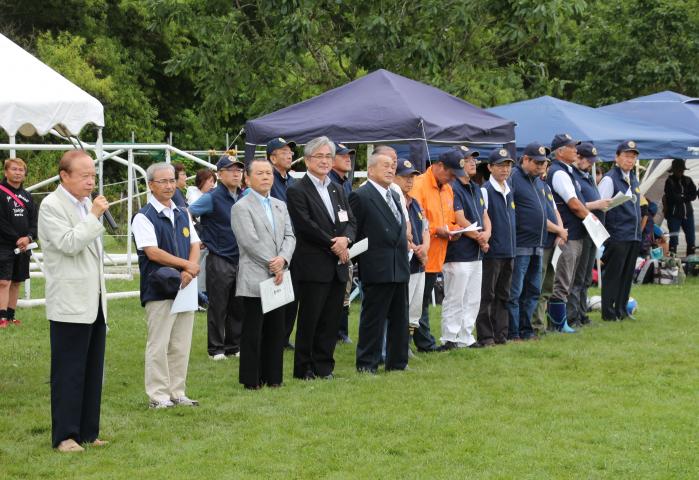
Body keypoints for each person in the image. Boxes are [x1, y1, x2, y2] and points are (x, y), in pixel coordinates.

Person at [38, 150, 109, 452]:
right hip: (69, 302)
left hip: (93, 301)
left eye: (93, 175)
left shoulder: (83, 204)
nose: (90, 181)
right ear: (64, 176)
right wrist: (93, 216)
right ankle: (65, 435)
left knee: (92, 370)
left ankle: (88, 431)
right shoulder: (51, 205)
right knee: (69, 371)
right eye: (84, 175)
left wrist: (90, 214)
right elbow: (69, 244)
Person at [286, 137, 356, 380]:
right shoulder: (296, 189)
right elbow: (306, 225)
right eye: (320, 156)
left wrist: (346, 240)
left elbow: (350, 221)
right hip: (313, 264)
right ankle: (304, 368)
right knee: (310, 319)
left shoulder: (337, 188)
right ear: (307, 160)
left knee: (330, 320)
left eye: (328, 156)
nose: (325, 161)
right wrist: (333, 244)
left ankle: (324, 367)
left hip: (338, 264)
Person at [132, 162, 201, 409]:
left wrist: (190, 270)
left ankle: (177, 392)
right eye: (163, 181)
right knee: (159, 344)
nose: (169, 185)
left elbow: (195, 243)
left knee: (181, 343)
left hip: (185, 285)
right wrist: (186, 266)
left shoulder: (183, 212)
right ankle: (158, 395)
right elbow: (152, 252)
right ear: (151, 185)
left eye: (172, 180)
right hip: (159, 287)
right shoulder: (143, 216)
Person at [231, 158, 295, 389]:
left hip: (279, 275)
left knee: (276, 330)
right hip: (256, 276)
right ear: (247, 178)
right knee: (253, 330)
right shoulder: (241, 206)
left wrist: (284, 259)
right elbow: (249, 242)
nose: (266, 177)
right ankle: (251, 379)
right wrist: (273, 263)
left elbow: (290, 236)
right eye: (260, 173)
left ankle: (273, 377)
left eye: (268, 173)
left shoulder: (280, 204)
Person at [349, 153, 410, 373]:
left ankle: (397, 363)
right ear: (371, 170)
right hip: (376, 267)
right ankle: (367, 364)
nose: (391, 169)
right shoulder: (361, 196)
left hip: (399, 267)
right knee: (373, 320)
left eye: (392, 166)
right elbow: (354, 232)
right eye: (385, 165)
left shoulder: (393, 195)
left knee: (400, 319)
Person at [507, 143, 567, 341]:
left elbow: (547, 210)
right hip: (520, 243)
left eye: (544, 163)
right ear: (525, 160)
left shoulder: (539, 183)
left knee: (533, 291)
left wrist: (558, 229)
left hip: (538, 244)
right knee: (516, 292)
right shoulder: (514, 178)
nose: (542, 166)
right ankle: (513, 332)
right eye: (538, 162)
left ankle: (527, 330)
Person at [189, 156, 245, 360]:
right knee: (218, 306)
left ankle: (233, 345)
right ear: (220, 174)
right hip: (220, 257)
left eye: (239, 170)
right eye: (230, 170)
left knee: (238, 305)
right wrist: (200, 235)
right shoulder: (211, 197)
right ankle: (216, 348)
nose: (236, 173)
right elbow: (188, 213)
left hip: (241, 257)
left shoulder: (244, 195)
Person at [410, 147, 465, 352]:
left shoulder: (448, 189)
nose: (452, 179)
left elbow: (448, 219)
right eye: (451, 174)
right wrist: (437, 230)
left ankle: (423, 342)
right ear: (439, 166)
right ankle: (417, 343)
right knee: (415, 303)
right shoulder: (418, 185)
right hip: (420, 254)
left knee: (422, 303)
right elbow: (415, 221)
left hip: (437, 256)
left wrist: (455, 230)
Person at [439, 148, 490, 350]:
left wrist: (487, 234)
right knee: (455, 296)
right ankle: (450, 336)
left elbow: (485, 215)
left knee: (473, 297)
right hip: (459, 251)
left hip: (476, 252)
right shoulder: (453, 187)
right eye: (467, 160)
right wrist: (479, 237)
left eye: (473, 160)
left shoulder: (476, 187)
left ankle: (466, 336)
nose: (472, 163)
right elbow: (459, 218)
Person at [545, 134, 594, 333]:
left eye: (575, 146)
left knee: (569, 278)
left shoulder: (568, 171)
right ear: (560, 151)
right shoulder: (559, 173)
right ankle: (558, 323)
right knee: (563, 279)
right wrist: (591, 220)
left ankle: (561, 320)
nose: (575, 150)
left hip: (574, 233)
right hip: (568, 234)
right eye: (571, 146)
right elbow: (573, 204)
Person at [475, 148, 516, 346]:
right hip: (492, 252)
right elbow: (484, 218)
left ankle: (501, 334)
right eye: (500, 165)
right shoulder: (485, 190)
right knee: (487, 295)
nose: (505, 169)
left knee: (504, 295)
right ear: (490, 167)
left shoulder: (509, 190)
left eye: (508, 165)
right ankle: (486, 335)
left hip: (509, 251)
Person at [598, 141, 643, 321]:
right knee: (613, 275)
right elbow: (601, 206)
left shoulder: (633, 178)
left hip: (633, 235)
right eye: (626, 156)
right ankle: (609, 312)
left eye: (633, 157)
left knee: (626, 275)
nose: (629, 160)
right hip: (617, 234)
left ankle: (622, 309)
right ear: (617, 157)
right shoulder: (610, 178)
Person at [568, 143, 610, 326]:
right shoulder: (572, 176)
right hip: (582, 229)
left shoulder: (586, 177)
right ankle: (573, 315)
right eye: (588, 160)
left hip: (593, 230)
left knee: (586, 276)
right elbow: (577, 203)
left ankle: (582, 313)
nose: (590, 164)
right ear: (579, 157)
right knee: (578, 277)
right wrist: (597, 204)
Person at [392, 159, 430, 350]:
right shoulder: (393, 200)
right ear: (395, 177)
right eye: (405, 177)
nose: (409, 181)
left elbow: (425, 228)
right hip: (404, 261)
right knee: (402, 306)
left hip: (418, 263)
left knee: (415, 307)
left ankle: (407, 344)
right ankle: (398, 345)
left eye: (412, 177)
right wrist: (416, 248)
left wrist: (425, 247)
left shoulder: (415, 202)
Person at [267, 137, 299, 349]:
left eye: (290, 151)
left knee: (292, 295)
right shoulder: (268, 181)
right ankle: (273, 336)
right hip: (275, 246)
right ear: (272, 157)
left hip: (295, 245)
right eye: (284, 151)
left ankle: (284, 337)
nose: (290, 155)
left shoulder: (293, 181)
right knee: (275, 294)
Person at [0, 158, 37, 328]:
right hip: (4, 245)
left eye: (21, 170)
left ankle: (11, 316)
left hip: (23, 246)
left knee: (16, 281)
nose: (18, 173)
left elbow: (34, 222)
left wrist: (28, 237)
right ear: (5, 172)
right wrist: (16, 238)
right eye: (14, 169)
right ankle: (1, 318)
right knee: (3, 281)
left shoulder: (28, 197)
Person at [328, 142, 355, 344]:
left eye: (349, 155)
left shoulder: (345, 182)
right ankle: (335, 332)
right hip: (332, 246)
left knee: (344, 291)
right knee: (334, 293)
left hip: (346, 242)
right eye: (343, 155)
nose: (348, 158)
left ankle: (341, 332)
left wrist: (348, 240)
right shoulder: (329, 182)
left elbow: (349, 218)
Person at [664, 158, 697, 255]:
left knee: (691, 239)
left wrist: (682, 196)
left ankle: (690, 263)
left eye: (682, 170)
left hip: (688, 214)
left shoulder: (688, 180)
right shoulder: (669, 181)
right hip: (674, 215)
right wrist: (686, 196)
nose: (680, 172)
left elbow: (694, 195)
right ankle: (672, 263)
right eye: (678, 170)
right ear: (673, 170)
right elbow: (672, 197)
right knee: (674, 239)